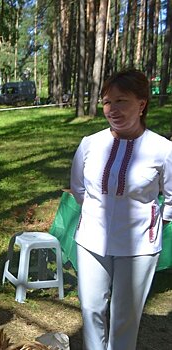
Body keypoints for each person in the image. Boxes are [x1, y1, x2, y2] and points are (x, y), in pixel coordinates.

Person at [70, 68, 172, 350]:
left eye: (121, 101)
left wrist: (155, 224)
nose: (112, 109)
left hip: (139, 244)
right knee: (91, 309)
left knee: (124, 317)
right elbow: (79, 189)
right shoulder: (90, 144)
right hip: (91, 240)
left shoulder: (162, 149)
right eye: (107, 102)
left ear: (141, 104)